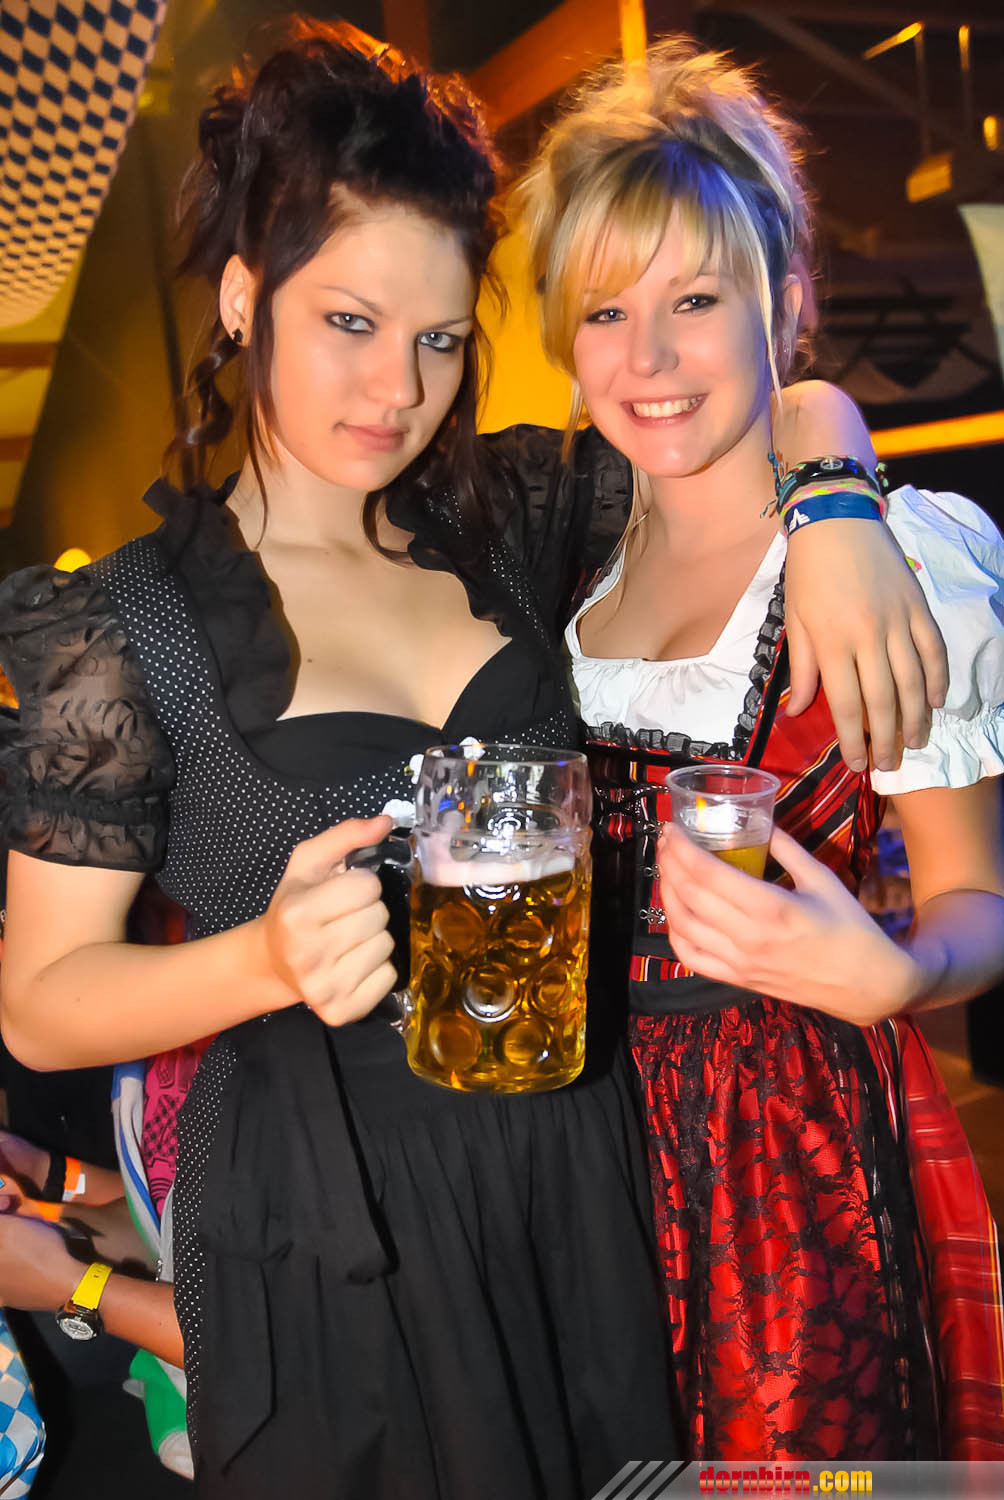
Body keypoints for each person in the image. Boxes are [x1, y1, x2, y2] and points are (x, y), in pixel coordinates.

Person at [0, 17, 954, 1495]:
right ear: (245, 298)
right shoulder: (122, 627)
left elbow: (734, 400)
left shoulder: (510, 519)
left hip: (578, 1185)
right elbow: (43, 1005)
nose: (398, 388)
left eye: (440, 339)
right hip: (336, 1234)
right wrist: (262, 960)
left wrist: (834, 495)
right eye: (350, 322)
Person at [508, 35, 1004, 1462]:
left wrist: (905, 973)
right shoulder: (557, 557)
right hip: (568, 1161)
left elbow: (979, 898)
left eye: (696, 300)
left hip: (789, 1169)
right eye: (605, 311)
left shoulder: (896, 557)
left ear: (782, 301)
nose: (648, 359)